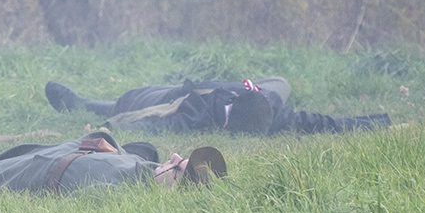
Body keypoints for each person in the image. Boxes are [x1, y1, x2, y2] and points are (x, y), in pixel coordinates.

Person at [0, 131, 228, 198]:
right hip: (62, 154)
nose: (176, 158)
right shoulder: (146, 168)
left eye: (179, 168)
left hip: (41, 175)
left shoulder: (131, 193)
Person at [45, 77, 391, 136]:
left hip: (253, 86)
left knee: (281, 82)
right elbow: (160, 124)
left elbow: (321, 123)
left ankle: (92, 106)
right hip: (185, 91)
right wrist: (111, 127)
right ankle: (84, 104)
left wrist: (380, 122)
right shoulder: (199, 112)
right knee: (129, 102)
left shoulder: (273, 110)